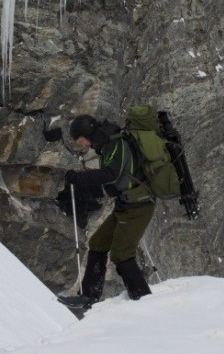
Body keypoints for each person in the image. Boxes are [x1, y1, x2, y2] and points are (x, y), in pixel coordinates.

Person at [57, 114, 154, 312]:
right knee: (98, 243)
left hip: (138, 205)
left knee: (122, 254)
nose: (82, 145)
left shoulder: (115, 143)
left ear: (87, 133)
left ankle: (144, 301)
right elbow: (113, 182)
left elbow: (111, 174)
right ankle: (89, 296)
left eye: (81, 140)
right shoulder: (108, 145)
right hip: (126, 204)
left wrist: (78, 178)